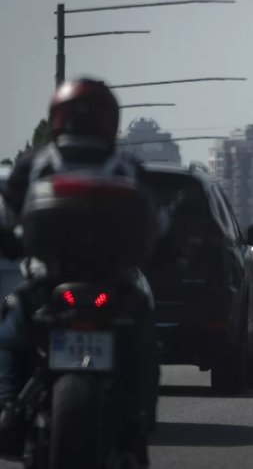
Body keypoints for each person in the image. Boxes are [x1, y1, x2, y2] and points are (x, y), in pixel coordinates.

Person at [0, 78, 160, 464]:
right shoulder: (126, 167)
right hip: (112, 283)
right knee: (143, 336)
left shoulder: (36, 163)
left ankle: (6, 406)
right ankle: (140, 417)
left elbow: (7, 217)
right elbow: (159, 226)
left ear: (57, 118)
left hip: (48, 282)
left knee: (12, 325)